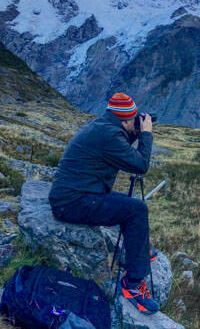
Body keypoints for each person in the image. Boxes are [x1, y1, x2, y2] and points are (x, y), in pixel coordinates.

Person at [48, 93, 160, 314]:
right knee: (136, 210)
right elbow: (140, 165)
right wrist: (146, 134)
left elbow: (120, 145)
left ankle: (137, 253)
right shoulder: (109, 135)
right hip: (73, 203)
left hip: (77, 195)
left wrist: (134, 129)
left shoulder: (104, 126)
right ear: (125, 120)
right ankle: (133, 285)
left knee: (130, 207)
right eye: (133, 119)